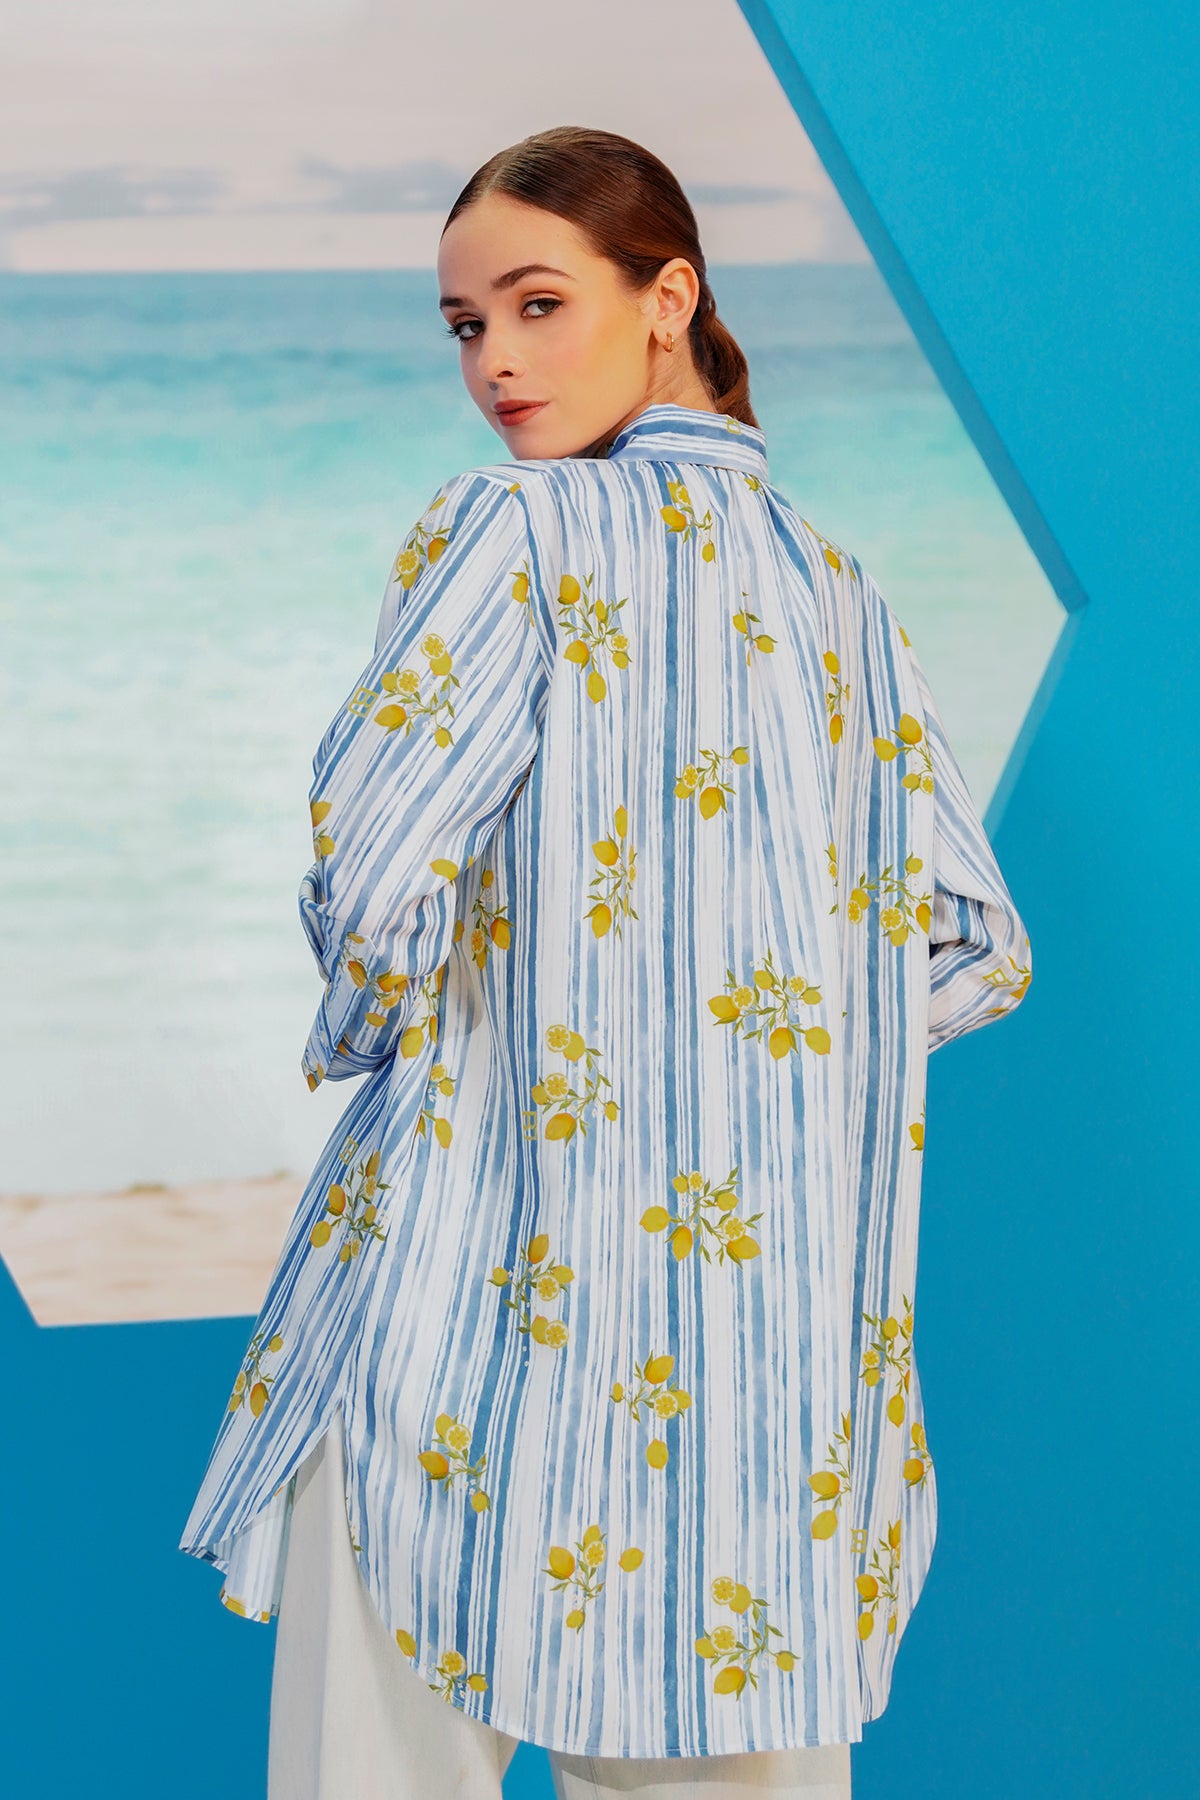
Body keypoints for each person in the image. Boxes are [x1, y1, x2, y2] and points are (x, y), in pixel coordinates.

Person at [180, 126, 1033, 1799]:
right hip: (765, 1376)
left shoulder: (511, 528)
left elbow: (376, 883)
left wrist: (434, 1033)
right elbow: (971, 943)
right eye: (464, 326)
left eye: (535, 304)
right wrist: (759, 1073)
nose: (494, 363)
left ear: (670, 297)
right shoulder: (842, 590)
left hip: (476, 1303)